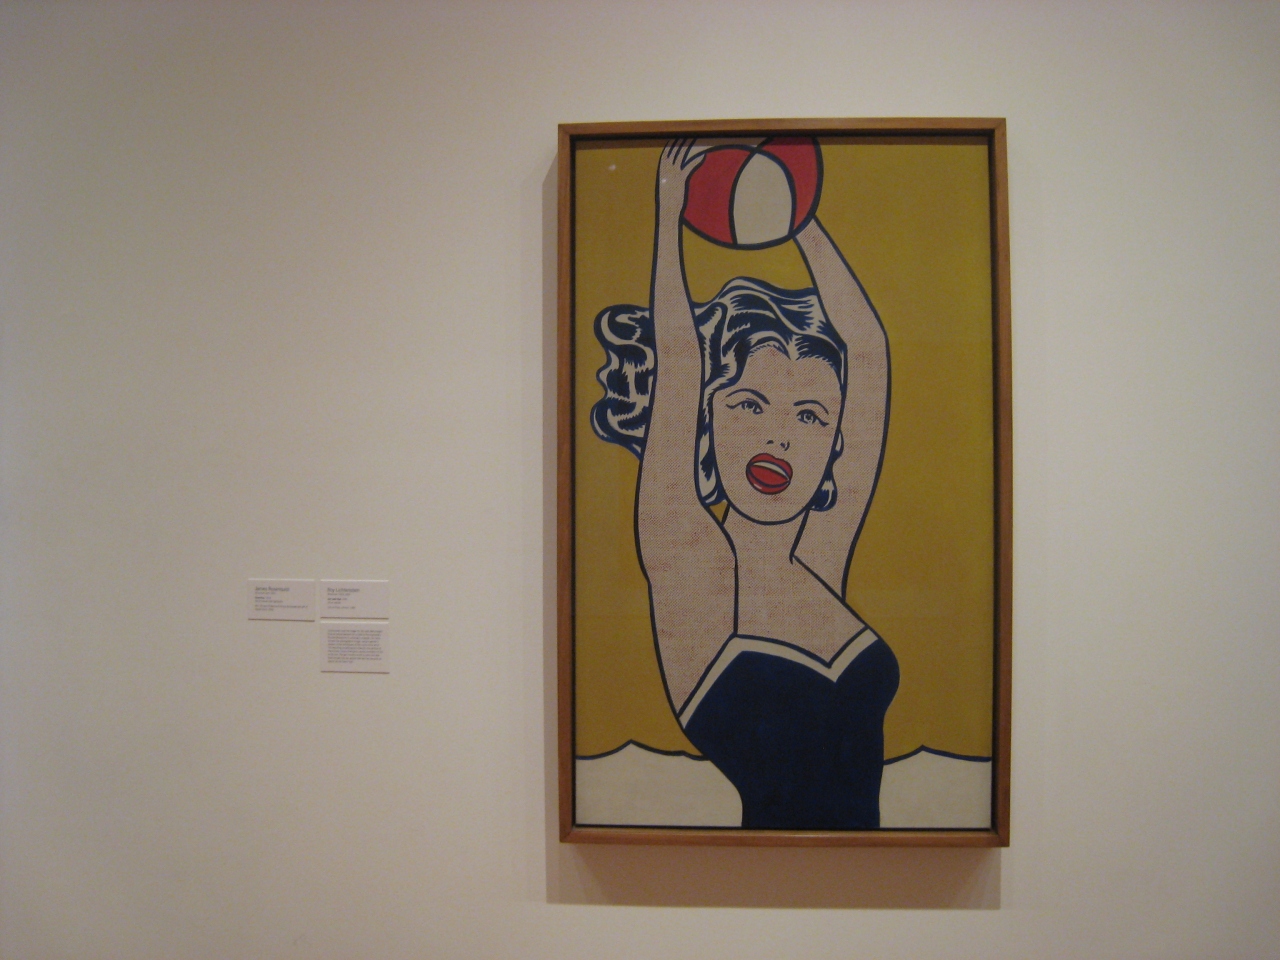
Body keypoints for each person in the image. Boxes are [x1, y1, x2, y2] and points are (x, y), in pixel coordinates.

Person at [591, 140, 897, 830]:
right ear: (707, 421)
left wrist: (796, 215)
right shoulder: (695, 561)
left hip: (868, 876)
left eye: (809, 415)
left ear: (835, 445)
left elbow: (870, 353)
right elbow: (680, 366)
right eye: (749, 406)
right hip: (767, 877)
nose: (779, 437)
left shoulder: (816, 558)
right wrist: (668, 214)